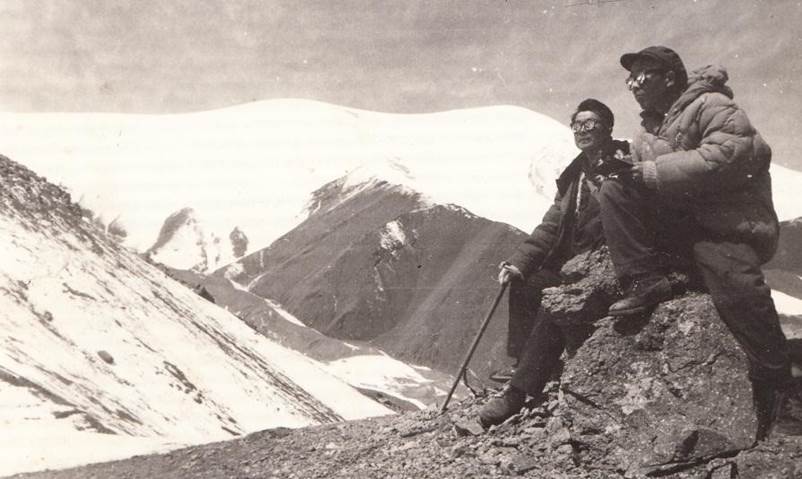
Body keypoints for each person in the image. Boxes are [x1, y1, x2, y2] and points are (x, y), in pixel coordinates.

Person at [598, 45, 791, 441]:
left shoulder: (713, 104)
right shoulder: (647, 130)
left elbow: (731, 153)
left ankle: (785, 390)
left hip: (727, 226)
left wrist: (653, 172)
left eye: (642, 75)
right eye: (630, 79)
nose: (634, 85)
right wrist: (629, 173)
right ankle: (645, 281)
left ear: (670, 77)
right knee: (616, 189)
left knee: (739, 290)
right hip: (684, 228)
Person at [478, 99, 630, 427]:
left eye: (590, 124)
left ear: (607, 128)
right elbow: (550, 226)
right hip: (574, 266)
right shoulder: (574, 175)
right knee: (526, 283)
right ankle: (524, 362)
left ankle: (518, 393)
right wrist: (519, 262)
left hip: (607, 265)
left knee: (555, 304)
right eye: (577, 125)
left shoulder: (623, 164)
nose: (582, 130)